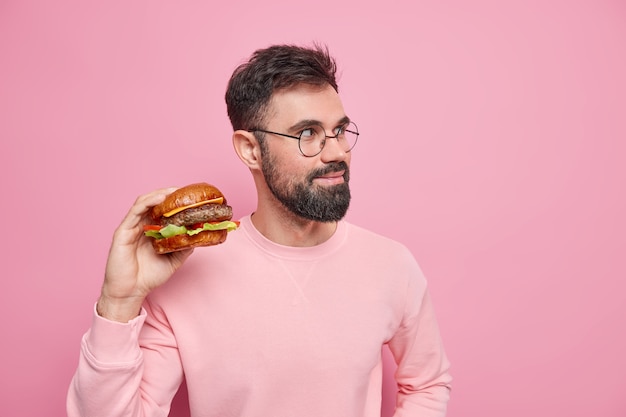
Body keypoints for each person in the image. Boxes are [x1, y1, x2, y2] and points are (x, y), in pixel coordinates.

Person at [67, 43, 452, 417]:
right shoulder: (187, 273)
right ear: (250, 150)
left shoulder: (392, 265)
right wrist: (118, 303)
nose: (336, 152)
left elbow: (427, 384)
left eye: (340, 130)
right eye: (308, 134)